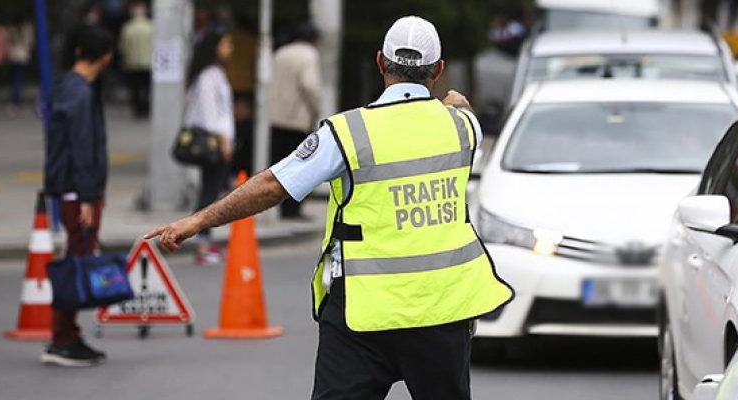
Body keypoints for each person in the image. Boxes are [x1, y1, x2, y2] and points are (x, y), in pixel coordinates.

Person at [146, 16, 513, 399]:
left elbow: (274, 184)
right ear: (438, 69)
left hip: (361, 312)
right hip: (442, 311)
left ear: (379, 62)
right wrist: (454, 102)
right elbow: (461, 106)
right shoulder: (462, 128)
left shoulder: (347, 133)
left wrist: (198, 220)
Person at [42, 26, 114, 367]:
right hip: (78, 192)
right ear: (105, 57)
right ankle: (63, 339)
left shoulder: (67, 86)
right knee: (76, 260)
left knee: (77, 256)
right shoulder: (81, 94)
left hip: (73, 189)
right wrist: (88, 197)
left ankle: (67, 334)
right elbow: (82, 149)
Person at [183, 30, 235, 266]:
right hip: (213, 142)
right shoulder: (208, 76)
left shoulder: (214, 73)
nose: (230, 48)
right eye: (226, 43)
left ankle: (205, 239)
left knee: (211, 190)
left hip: (219, 140)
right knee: (209, 192)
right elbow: (210, 113)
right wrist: (223, 140)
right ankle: (202, 242)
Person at [269, 23, 322, 220]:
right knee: (300, 166)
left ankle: (282, 208)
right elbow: (310, 85)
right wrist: (316, 109)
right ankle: (293, 210)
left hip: (276, 116)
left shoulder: (280, 53)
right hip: (297, 119)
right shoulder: (309, 55)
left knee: (280, 165)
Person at [118, 1, 153, 118]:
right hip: (148, 62)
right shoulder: (151, 27)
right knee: (147, 87)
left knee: (135, 88)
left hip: (133, 62)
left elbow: (123, 46)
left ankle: (138, 109)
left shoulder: (128, 28)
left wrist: (125, 58)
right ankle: (146, 108)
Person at [6, 19, 33, 115]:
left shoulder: (11, 30)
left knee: (16, 80)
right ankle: (16, 102)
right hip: (22, 57)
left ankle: (15, 102)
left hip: (14, 57)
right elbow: (30, 43)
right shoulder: (26, 29)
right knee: (19, 81)